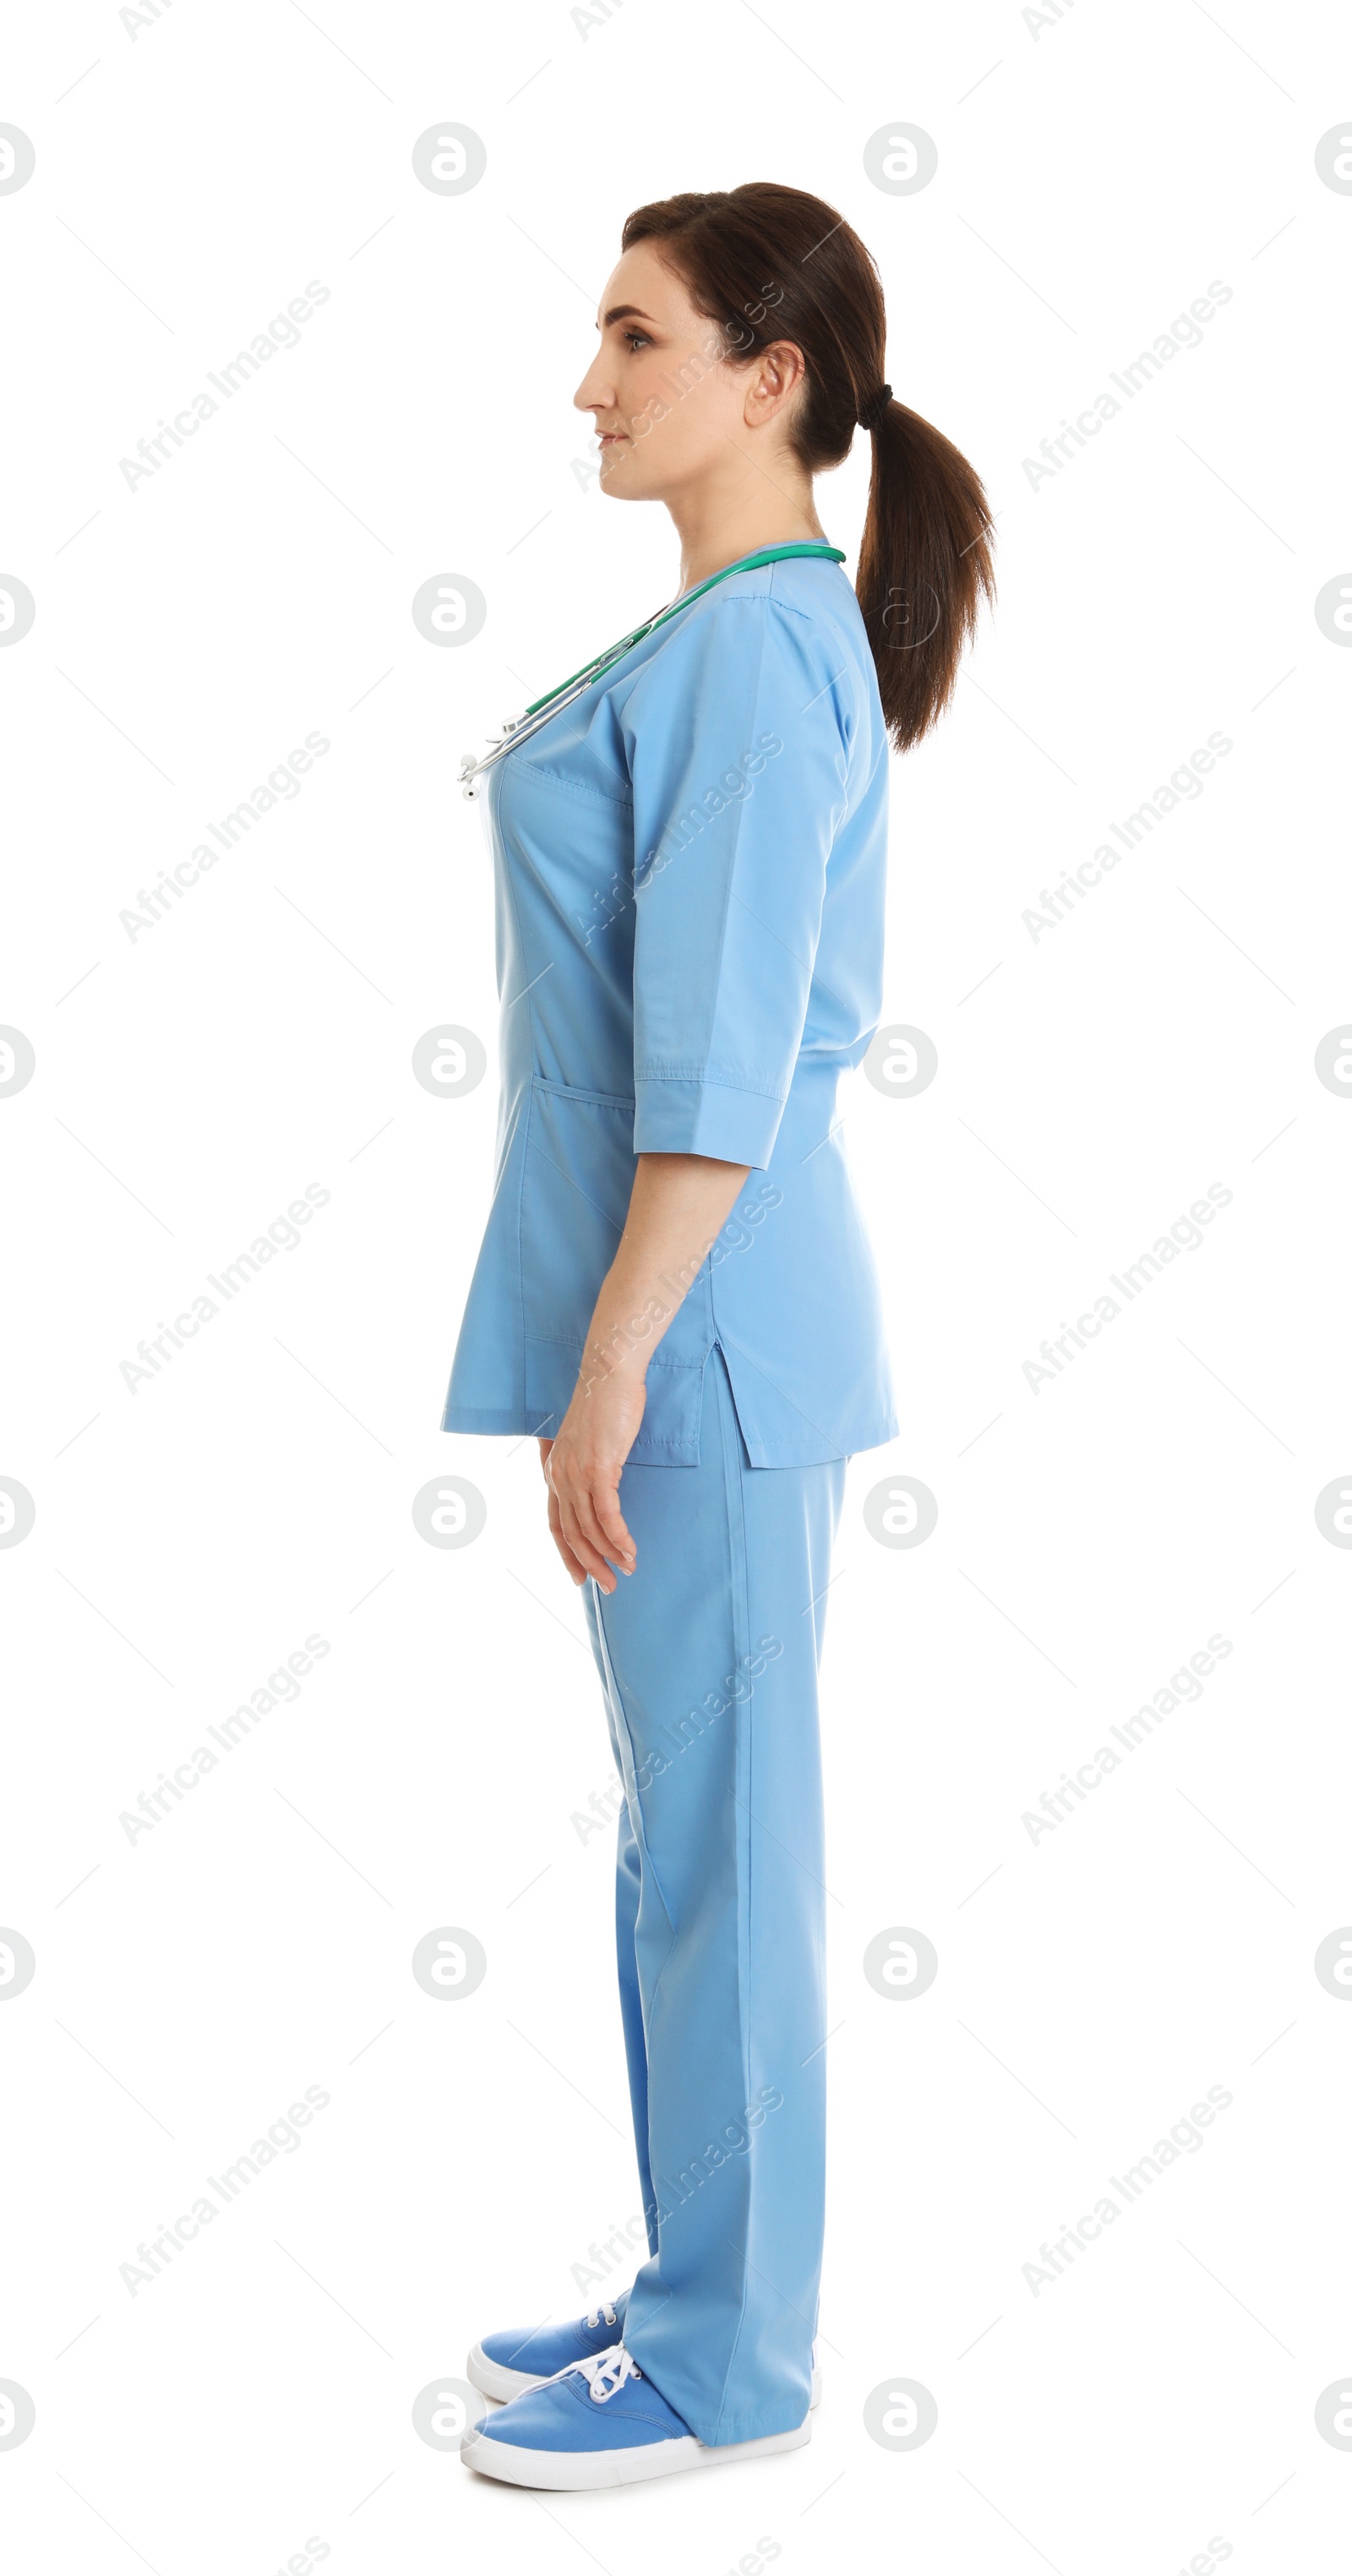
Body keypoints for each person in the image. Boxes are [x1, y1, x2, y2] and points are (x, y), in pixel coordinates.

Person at [444, 182, 993, 2489]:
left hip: (710, 1348)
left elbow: (732, 1056)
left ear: (771, 381)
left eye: (634, 338)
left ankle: (733, 2368)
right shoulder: (726, 636)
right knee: (683, 1831)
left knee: (730, 1844)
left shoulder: (767, 654)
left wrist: (616, 1355)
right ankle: (689, 2294)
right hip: (677, 1337)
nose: (591, 382)